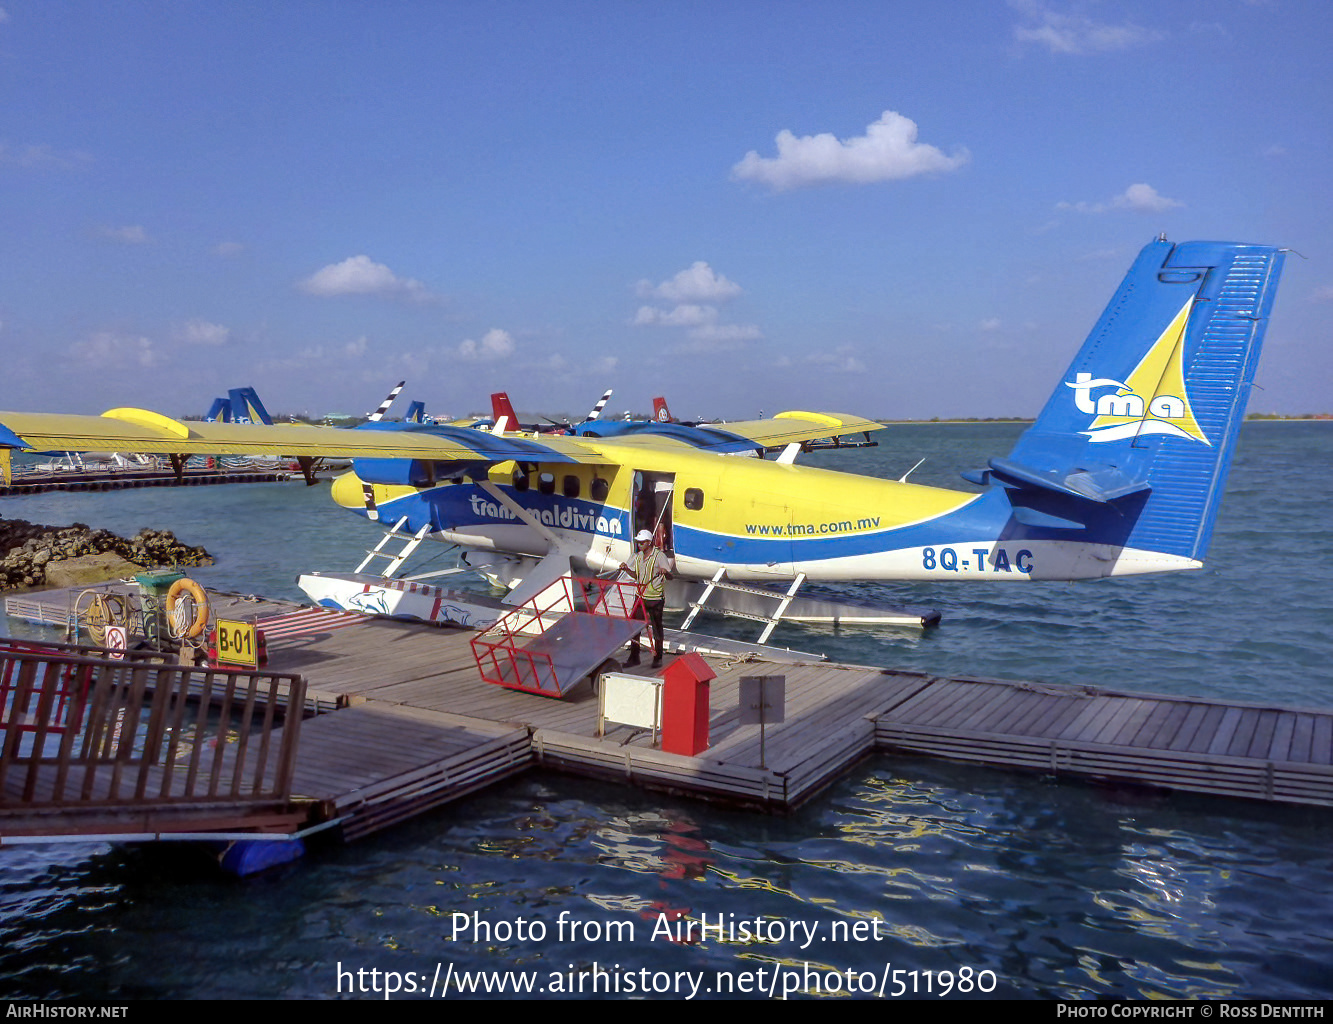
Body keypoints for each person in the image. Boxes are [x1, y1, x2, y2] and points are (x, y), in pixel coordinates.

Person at [620, 528, 671, 667]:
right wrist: (627, 570)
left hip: (655, 598)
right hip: (640, 596)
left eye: (642, 543)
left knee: (656, 628)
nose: (639, 545)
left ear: (649, 542)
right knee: (635, 627)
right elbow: (637, 576)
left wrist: (664, 571)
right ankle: (634, 657)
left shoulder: (659, 556)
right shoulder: (638, 557)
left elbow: (670, 576)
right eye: (638, 542)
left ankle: (658, 658)